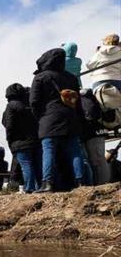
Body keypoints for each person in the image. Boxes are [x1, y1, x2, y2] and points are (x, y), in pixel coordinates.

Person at [30, 47, 84, 192]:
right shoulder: (71, 78)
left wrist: (41, 117)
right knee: (75, 151)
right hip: (70, 118)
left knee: (48, 151)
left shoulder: (40, 77)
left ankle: (48, 183)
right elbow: (77, 101)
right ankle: (81, 183)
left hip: (49, 119)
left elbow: (34, 102)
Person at [2, 83, 41, 193]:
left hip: (19, 141)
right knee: (37, 165)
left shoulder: (11, 106)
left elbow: (9, 125)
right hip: (34, 139)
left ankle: (29, 188)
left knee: (26, 165)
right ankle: (40, 187)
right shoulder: (30, 104)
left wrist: (9, 139)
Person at [80, 89, 110, 185]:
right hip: (96, 132)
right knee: (98, 160)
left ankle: (104, 183)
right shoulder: (88, 97)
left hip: (92, 133)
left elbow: (90, 113)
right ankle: (102, 183)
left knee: (98, 160)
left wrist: (85, 122)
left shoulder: (83, 97)